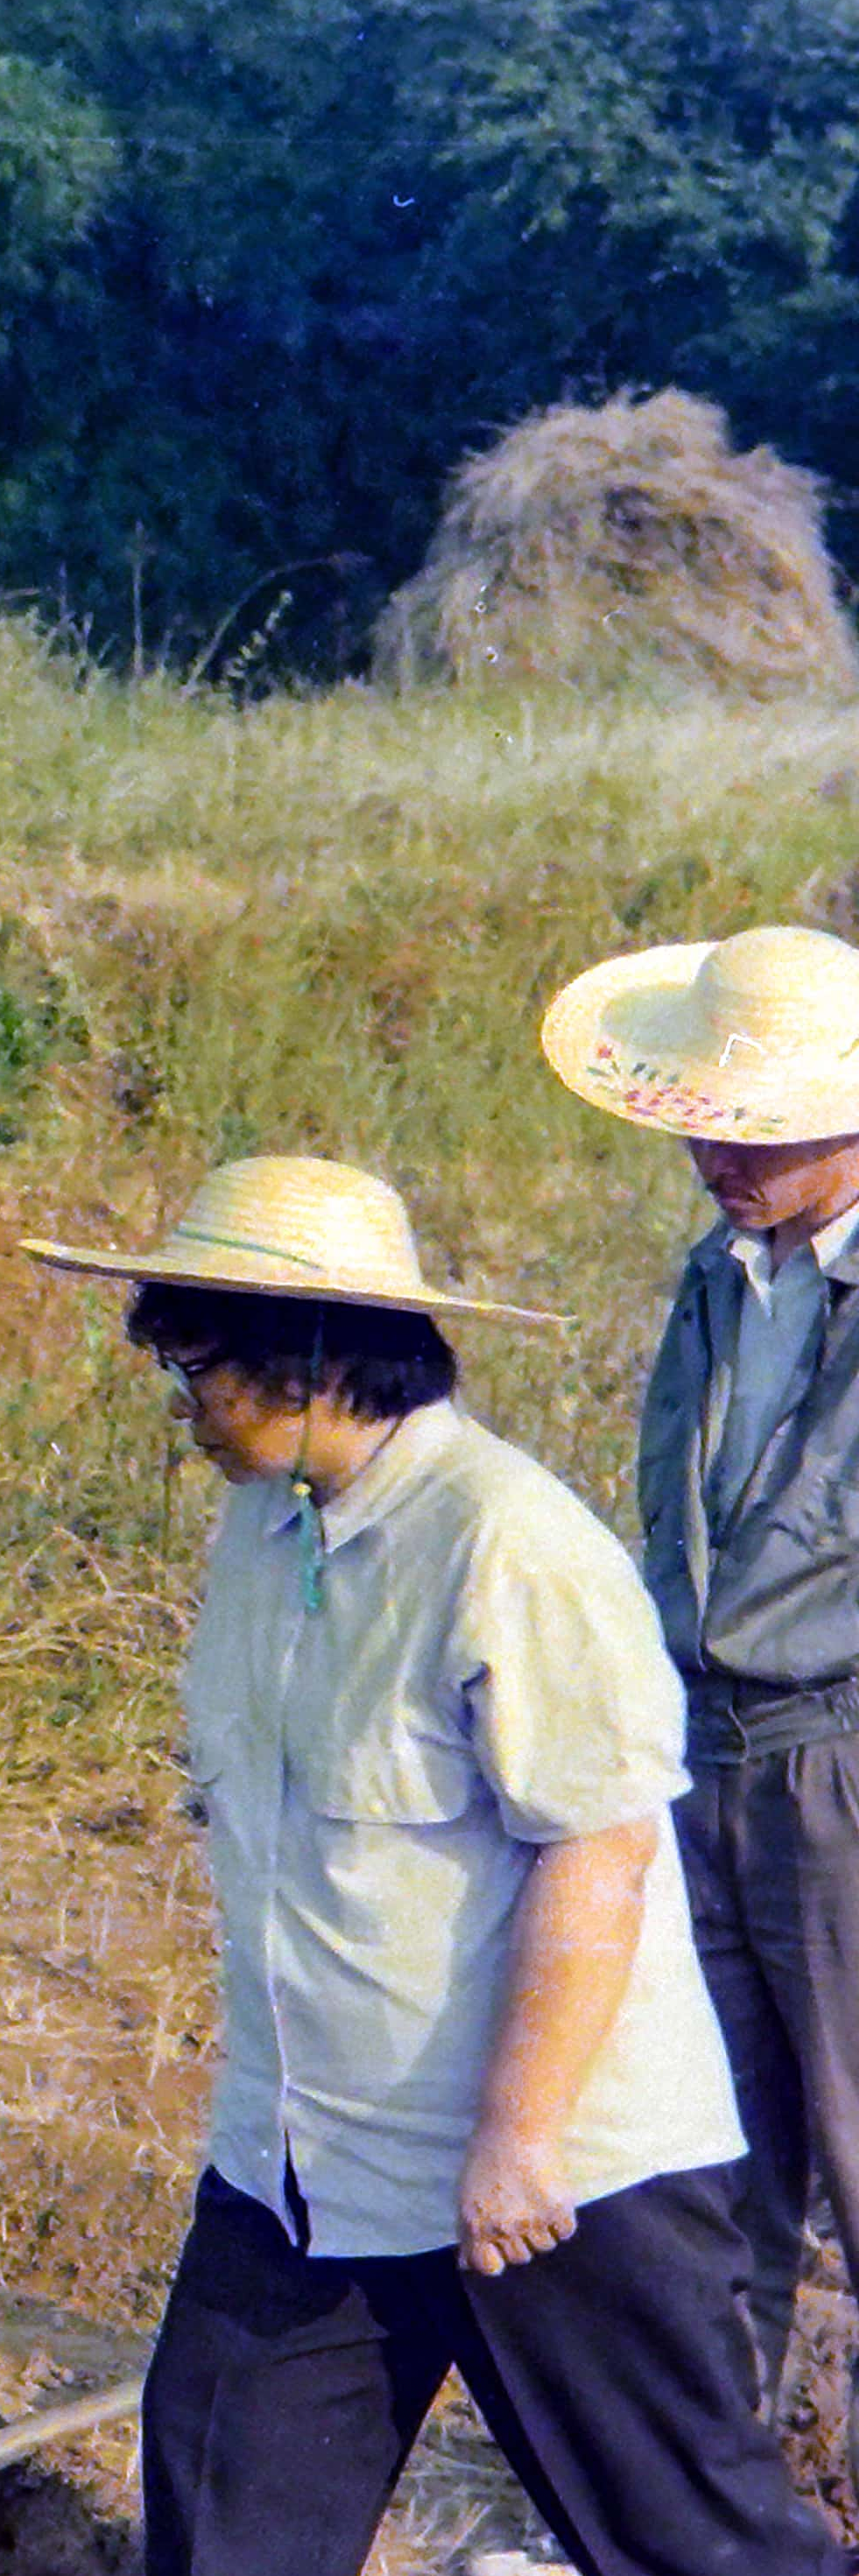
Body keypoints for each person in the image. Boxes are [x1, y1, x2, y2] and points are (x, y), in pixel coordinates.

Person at [0, 1157, 859, 2576]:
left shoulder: (508, 1545)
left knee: (671, 2501)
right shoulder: (271, 1533)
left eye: (201, 1368)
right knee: (224, 2468)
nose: (183, 1406)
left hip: (558, 2152)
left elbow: (598, 1851)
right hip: (318, 2140)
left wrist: (519, 2139)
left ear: (310, 1359)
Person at [542, 925, 859, 2446]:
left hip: (840, 1758)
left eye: (749, 1119)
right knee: (716, 2158)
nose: (709, 1150)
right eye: (698, 1116)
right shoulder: (713, 1279)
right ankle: (728, 2524)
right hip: (706, 1750)